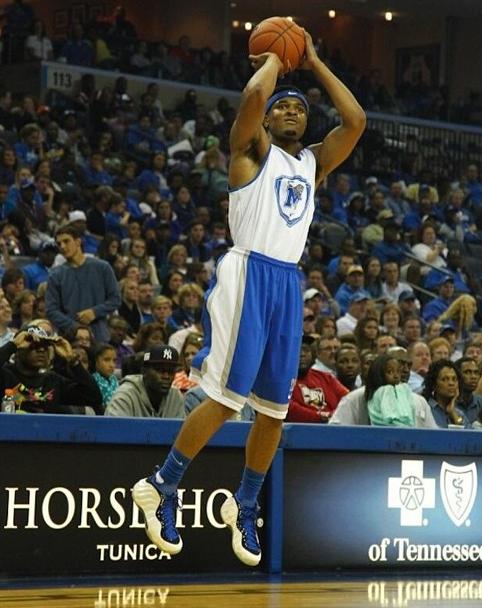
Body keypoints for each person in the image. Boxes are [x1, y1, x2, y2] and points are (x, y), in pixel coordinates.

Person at [132, 30, 365, 567]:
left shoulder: (312, 164)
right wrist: (275, 62)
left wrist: (315, 60)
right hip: (248, 272)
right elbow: (252, 100)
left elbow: (356, 123)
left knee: (273, 412)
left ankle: (247, 504)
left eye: (297, 109)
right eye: (281, 106)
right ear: (267, 121)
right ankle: (161, 485)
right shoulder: (250, 149)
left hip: (287, 281)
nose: (288, 111)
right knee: (225, 400)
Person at [0, 323, 102, 414]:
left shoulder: (52, 380)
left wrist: (73, 361)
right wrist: (12, 345)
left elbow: (94, 397)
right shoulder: (5, 375)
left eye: (45, 345)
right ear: (18, 350)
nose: (41, 350)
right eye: (33, 345)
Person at [46, 225, 121, 342]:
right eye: (59, 244)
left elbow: (115, 299)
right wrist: (75, 327)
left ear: (78, 241)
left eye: (66, 241)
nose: (63, 247)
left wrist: (94, 312)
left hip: (99, 337)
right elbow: (51, 310)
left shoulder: (102, 267)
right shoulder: (55, 274)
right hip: (70, 338)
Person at [105, 344, 184, 418]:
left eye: (171, 371)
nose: (166, 376)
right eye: (160, 370)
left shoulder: (175, 396)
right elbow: (112, 431)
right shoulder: (125, 396)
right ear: (144, 371)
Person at [287, 337, 348, 422]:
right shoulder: (281, 381)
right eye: (296, 349)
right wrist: (325, 416)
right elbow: (289, 408)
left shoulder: (326, 378)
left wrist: (332, 416)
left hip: (332, 428)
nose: (302, 354)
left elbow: (348, 400)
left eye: (306, 350)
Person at [365, 354, 415, 426]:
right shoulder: (384, 391)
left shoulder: (402, 389)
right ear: (379, 374)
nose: (396, 375)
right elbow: (390, 418)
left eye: (398, 371)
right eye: (390, 372)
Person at [421, 359, 470, 428]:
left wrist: (453, 413)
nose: (451, 383)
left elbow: (469, 436)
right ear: (434, 385)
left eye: (454, 379)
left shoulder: (458, 413)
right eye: (444, 379)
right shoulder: (426, 408)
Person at [92, 343, 119, 410]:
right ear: (96, 361)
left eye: (114, 360)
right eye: (106, 360)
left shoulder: (115, 380)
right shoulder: (92, 381)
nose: (112, 365)